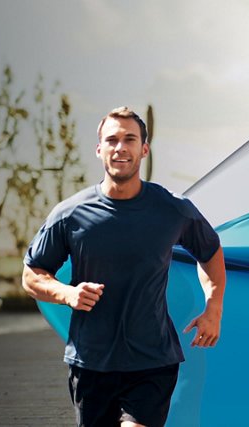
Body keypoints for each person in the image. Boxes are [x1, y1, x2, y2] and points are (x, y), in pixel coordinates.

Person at [22, 106, 226, 427]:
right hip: (91, 362)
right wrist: (67, 294)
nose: (121, 147)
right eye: (112, 139)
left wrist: (213, 309)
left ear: (144, 149)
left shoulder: (173, 209)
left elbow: (210, 252)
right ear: (99, 148)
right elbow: (32, 274)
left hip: (153, 360)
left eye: (130, 139)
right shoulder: (70, 214)